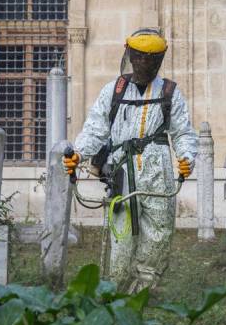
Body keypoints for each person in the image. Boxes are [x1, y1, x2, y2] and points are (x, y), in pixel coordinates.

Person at [65, 28, 197, 292]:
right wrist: (80, 153)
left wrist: (186, 157)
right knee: (122, 232)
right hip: (121, 171)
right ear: (131, 56)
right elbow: (95, 128)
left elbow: (182, 131)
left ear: (158, 61)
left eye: (150, 59)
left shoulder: (169, 92)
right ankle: (115, 288)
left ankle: (144, 289)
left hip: (157, 171)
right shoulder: (113, 91)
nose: (144, 64)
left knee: (158, 231)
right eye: (139, 57)